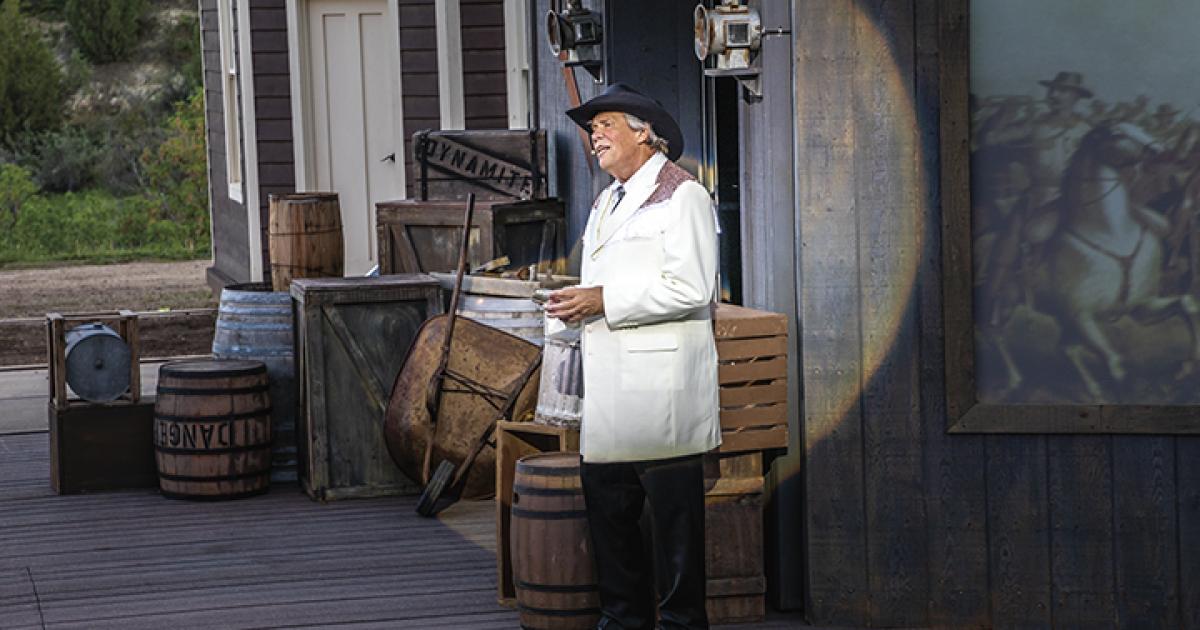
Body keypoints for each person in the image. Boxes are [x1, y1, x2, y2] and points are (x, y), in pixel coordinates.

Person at [545, 82, 720, 630]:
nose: (593, 134)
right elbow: (604, 281)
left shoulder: (682, 194)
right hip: (611, 392)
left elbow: (693, 287)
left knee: (675, 537)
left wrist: (602, 299)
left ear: (645, 134)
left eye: (606, 124)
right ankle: (621, 623)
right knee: (611, 527)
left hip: (661, 393)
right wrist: (574, 304)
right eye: (592, 127)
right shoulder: (606, 200)